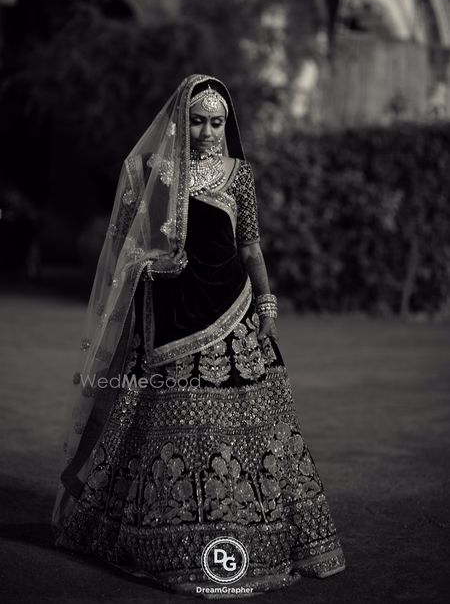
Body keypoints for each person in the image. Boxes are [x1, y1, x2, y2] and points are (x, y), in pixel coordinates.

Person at [51, 74, 345, 597]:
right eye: (198, 120)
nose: (208, 131)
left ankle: (251, 536)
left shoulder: (240, 174)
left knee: (246, 425)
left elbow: (250, 247)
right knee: (166, 423)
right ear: (180, 120)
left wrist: (268, 302)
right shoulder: (156, 173)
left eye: (217, 122)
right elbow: (128, 249)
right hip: (171, 317)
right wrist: (149, 263)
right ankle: (167, 537)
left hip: (231, 310)